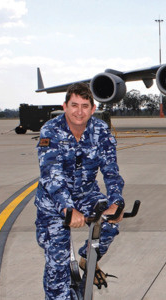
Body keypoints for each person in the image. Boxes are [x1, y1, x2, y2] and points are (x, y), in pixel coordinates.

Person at [34, 82, 125, 300]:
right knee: (58, 263)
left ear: (93, 109)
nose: (79, 111)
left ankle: (87, 258)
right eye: (74, 105)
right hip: (53, 201)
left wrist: (116, 201)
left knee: (111, 223)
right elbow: (51, 174)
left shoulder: (101, 131)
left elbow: (111, 171)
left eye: (85, 106)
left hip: (86, 194)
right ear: (64, 106)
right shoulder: (51, 130)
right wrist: (67, 208)